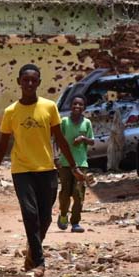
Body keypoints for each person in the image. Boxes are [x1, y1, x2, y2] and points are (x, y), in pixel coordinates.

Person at [0, 64, 85, 277]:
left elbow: (59, 138)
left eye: (33, 80)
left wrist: (74, 166)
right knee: (30, 215)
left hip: (47, 169)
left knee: (46, 218)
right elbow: (2, 145)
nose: (29, 84)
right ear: (19, 82)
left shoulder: (49, 107)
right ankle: (39, 262)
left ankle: (32, 250)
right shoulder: (11, 112)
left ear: (39, 82)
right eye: (25, 80)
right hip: (21, 171)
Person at [57, 95, 95, 233]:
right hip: (65, 164)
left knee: (79, 193)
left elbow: (92, 141)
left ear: (84, 107)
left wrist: (83, 138)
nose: (77, 107)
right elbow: (57, 140)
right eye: (75, 104)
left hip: (81, 164)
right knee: (65, 193)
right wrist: (56, 158)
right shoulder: (64, 122)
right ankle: (63, 214)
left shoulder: (87, 123)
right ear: (71, 106)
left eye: (80, 104)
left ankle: (75, 222)